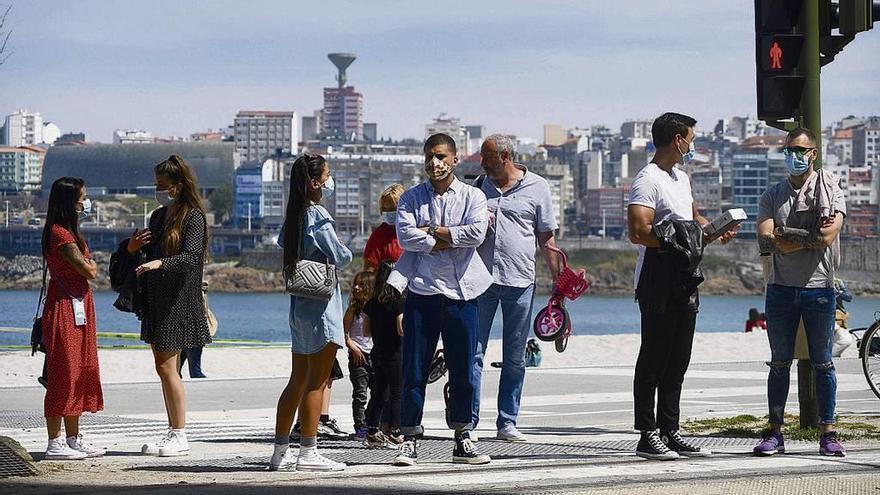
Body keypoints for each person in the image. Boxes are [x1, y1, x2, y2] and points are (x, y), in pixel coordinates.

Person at [627, 113, 736, 461]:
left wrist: (714, 229)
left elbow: (692, 219)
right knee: (654, 357)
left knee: (679, 359)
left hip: (685, 274)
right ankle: (647, 433)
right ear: (677, 139)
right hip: (657, 276)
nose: (693, 144)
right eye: (691, 138)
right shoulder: (647, 179)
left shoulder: (681, 178)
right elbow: (638, 231)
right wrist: (681, 237)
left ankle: (670, 430)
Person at [388, 133, 492, 466]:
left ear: (454, 158)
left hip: (463, 294)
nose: (435, 163)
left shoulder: (473, 196)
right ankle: (409, 437)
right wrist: (447, 238)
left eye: (441, 156)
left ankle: (463, 435)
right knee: (415, 368)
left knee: (463, 369)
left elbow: (476, 234)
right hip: (423, 292)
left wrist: (434, 231)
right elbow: (406, 236)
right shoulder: (411, 198)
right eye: (430, 156)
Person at [753, 127, 847, 457]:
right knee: (779, 363)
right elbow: (765, 241)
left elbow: (827, 237)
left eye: (799, 150)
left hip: (819, 289)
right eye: (788, 149)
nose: (793, 155)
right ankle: (774, 432)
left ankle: (829, 432)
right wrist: (806, 237)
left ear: (813, 154)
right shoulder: (772, 195)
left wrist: (786, 238)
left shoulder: (831, 189)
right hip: (780, 289)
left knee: (823, 363)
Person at [471, 134, 560, 442]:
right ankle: (467, 422)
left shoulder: (538, 187)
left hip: (520, 281)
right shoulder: (477, 190)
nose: (481, 163)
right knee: (473, 353)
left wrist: (558, 284)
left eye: (487, 158)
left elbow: (547, 239)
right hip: (481, 281)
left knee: (515, 356)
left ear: (505, 158)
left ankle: (507, 421)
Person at [270, 153, 353, 472]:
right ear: (315, 182)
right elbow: (341, 256)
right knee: (317, 383)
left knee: (297, 380)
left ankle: (280, 451)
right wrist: (344, 249)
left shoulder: (293, 214)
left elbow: (283, 243)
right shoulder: (317, 215)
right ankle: (309, 451)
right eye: (327, 176)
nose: (331, 182)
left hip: (300, 310)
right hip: (322, 308)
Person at [127, 154, 211, 457]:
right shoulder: (158, 216)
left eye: (161, 185)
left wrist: (160, 262)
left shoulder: (194, 217)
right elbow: (147, 253)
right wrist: (134, 248)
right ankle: (174, 430)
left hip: (179, 299)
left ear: (177, 185)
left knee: (167, 367)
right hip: (156, 299)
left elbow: (191, 258)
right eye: (156, 185)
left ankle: (179, 433)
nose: (158, 190)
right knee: (164, 368)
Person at [40, 177, 105, 460]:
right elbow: (89, 270)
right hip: (65, 306)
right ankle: (55, 441)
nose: (85, 202)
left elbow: (87, 269)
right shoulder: (60, 235)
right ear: (70, 201)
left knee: (79, 372)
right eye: (82, 197)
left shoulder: (69, 233)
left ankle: (73, 438)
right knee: (63, 374)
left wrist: (88, 266)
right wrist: (90, 265)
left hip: (78, 305)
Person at [362, 260, 405, 448]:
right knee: (397, 392)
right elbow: (401, 329)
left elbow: (365, 332)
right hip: (395, 351)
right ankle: (395, 431)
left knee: (379, 392)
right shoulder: (398, 302)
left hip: (377, 350)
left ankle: (371, 430)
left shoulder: (372, 303)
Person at [346, 271, 376, 441]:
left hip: (374, 354)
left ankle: (372, 423)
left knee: (378, 392)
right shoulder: (353, 309)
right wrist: (353, 348)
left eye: (361, 285)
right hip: (358, 356)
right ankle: (360, 428)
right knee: (360, 394)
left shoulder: (374, 308)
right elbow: (344, 333)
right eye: (355, 284)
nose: (356, 288)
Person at [363, 183, 405, 271]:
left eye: (394, 209)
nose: (390, 213)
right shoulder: (379, 235)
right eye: (386, 209)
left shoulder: (416, 230)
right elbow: (369, 269)